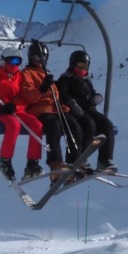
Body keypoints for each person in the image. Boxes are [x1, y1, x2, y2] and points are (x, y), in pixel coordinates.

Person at [20, 41, 87, 182]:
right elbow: (29, 96)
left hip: (55, 109)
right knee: (54, 126)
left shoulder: (46, 73)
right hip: (39, 110)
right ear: (30, 58)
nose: (39, 61)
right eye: (36, 58)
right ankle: (55, 164)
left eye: (43, 58)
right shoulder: (26, 73)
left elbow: (55, 95)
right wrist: (43, 88)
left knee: (73, 124)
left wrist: (65, 105)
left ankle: (74, 162)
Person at [0, 47, 44, 181]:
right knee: (14, 125)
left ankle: (32, 163)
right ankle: (5, 160)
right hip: (3, 113)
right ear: (4, 61)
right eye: (13, 60)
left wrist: (16, 106)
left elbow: (24, 98)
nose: (16, 64)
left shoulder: (21, 77)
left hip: (18, 111)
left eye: (18, 61)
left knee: (37, 124)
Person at [58, 50, 118, 172]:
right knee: (88, 125)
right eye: (80, 65)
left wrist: (96, 98)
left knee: (107, 124)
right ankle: (79, 159)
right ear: (73, 64)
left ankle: (105, 160)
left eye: (86, 65)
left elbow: (92, 94)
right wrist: (72, 104)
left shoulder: (85, 80)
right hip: (75, 112)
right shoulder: (66, 79)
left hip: (89, 110)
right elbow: (62, 94)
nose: (83, 68)